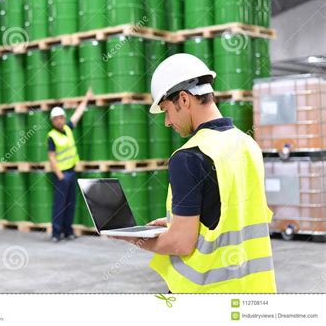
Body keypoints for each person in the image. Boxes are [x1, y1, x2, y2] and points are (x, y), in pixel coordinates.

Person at [112, 53, 277, 293]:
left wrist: (133, 238)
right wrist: (175, 222)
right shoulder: (248, 144)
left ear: (184, 99)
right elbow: (228, 211)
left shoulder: (190, 156)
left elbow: (180, 243)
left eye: (167, 110)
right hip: (253, 290)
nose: (167, 122)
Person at [48, 90, 93, 242]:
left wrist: (86, 99)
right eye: (56, 119)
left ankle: (68, 231)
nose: (59, 120)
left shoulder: (68, 128)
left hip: (71, 172)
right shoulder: (52, 136)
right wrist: (59, 175)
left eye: (61, 117)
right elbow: (51, 158)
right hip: (61, 174)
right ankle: (56, 233)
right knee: (59, 204)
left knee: (70, 203)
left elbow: (77, 115)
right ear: (52, 121)